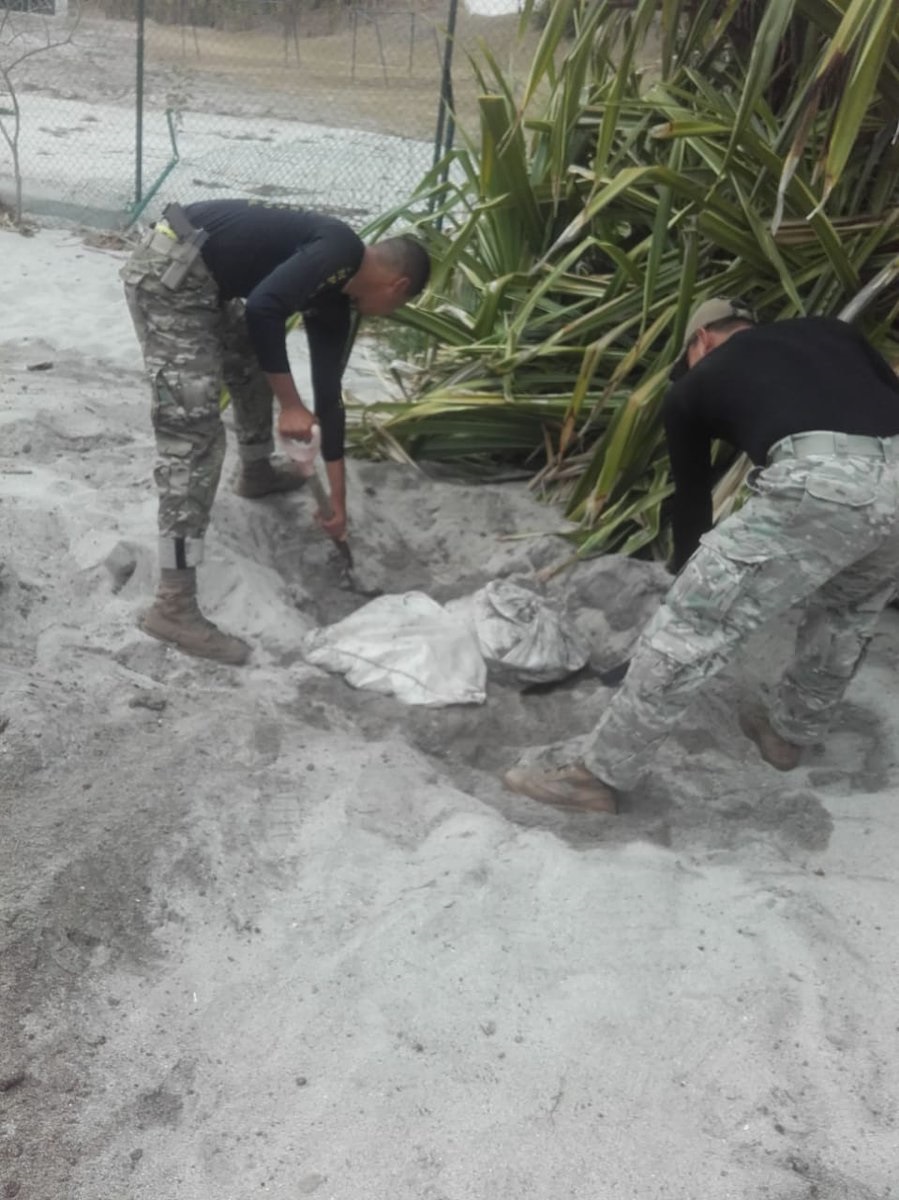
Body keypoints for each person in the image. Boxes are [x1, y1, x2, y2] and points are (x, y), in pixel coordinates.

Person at [503, 298, 899, 814]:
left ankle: (596, 778)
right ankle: (787, 737)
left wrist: (690, 586)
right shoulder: (830, 332)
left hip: (824, 481)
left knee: (692, 626)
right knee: (846, 616)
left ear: (702, 340)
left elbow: (692, 497)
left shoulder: (696, 384)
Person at [121, 199, 429, 665]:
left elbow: (330, 400)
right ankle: (173, 606)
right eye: (397, 305)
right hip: (171, 271)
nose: (387, 314)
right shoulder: (340, 249)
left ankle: (257, 471)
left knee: (252, 359)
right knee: (195, 436)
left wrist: (338, 505)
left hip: (205, 278)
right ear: (398, 285)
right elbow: (265, 307)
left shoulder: (335, 296)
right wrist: (290, 406)